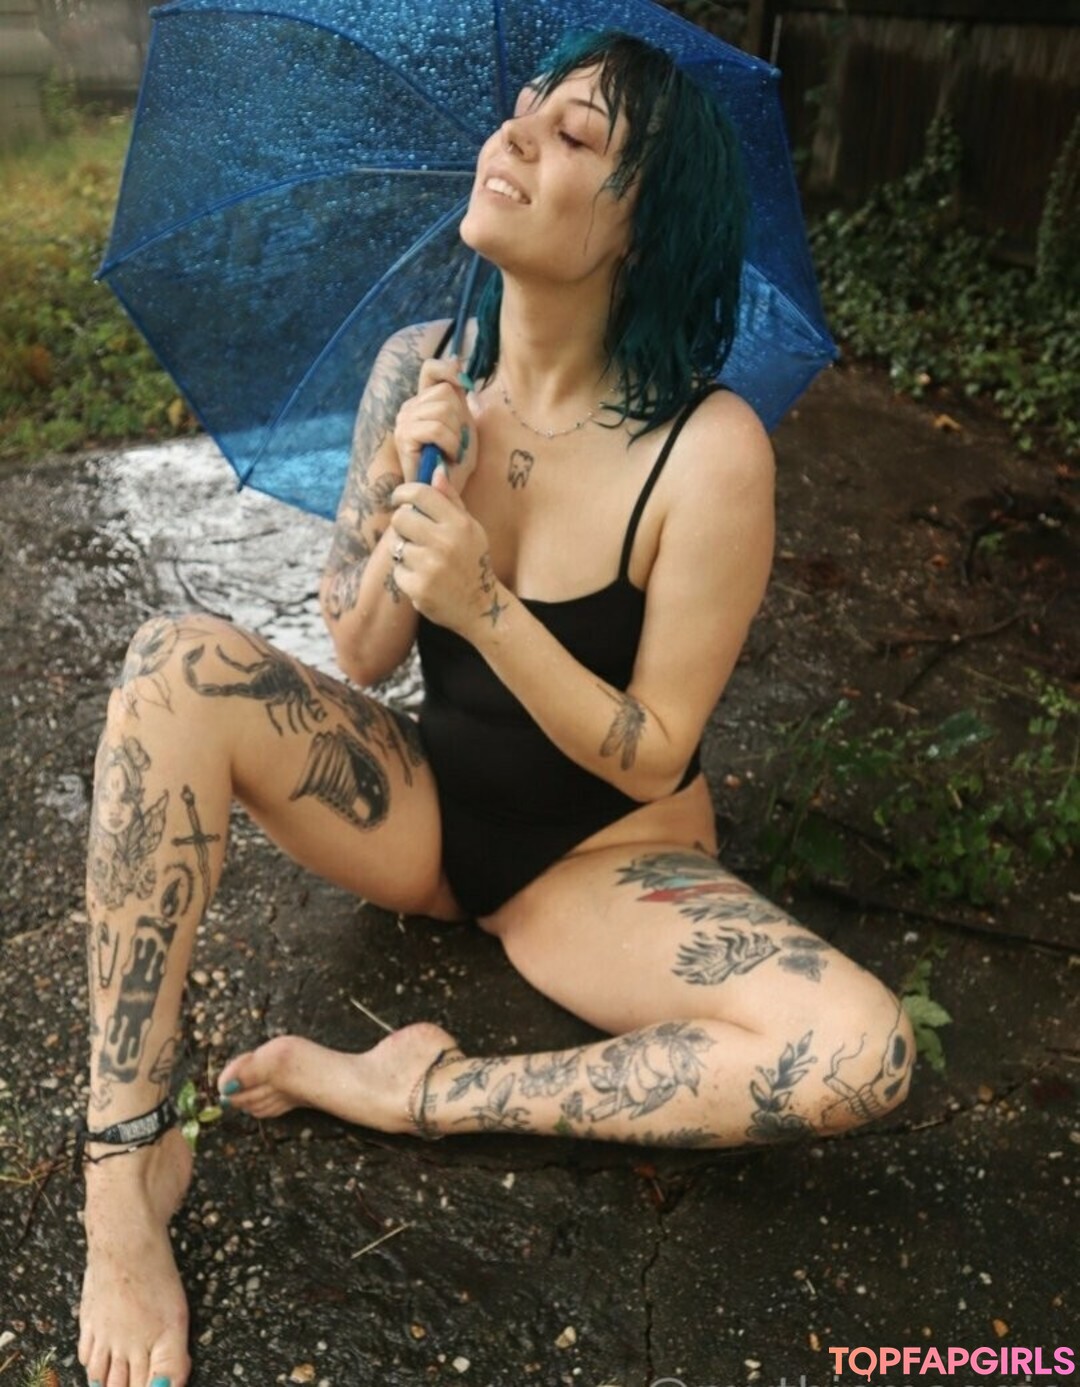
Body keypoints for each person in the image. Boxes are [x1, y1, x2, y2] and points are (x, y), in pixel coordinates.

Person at [77, 29, 914, 1387]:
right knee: (176, 664)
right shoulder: (423, 366)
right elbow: (359, 650)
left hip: (605, 862)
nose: (514, 137)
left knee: (858, 1051)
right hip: (425, 809)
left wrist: (484, 606)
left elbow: (652, 751)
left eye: (575, 135)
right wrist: (404, 488)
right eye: (524, 112)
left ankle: (417, 1089)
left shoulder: (707, 453)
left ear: (646, 228)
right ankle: (127, 1160)